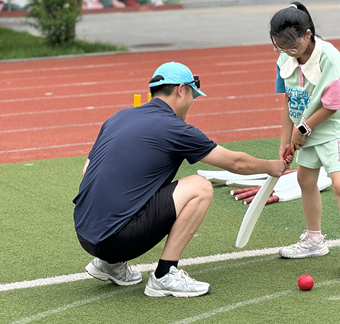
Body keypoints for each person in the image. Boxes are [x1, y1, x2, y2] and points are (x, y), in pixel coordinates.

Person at [73, 61, 289, 297]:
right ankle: (165, 275)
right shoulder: (175, 128)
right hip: (117, 239)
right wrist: (272, 166)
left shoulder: (119, 117)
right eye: (192, 96)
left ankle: (109, 264)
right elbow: (235, 162)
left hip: (85, 233)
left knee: (140, 184)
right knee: (200, 187)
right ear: (181, 90)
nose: (191, 103)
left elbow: (88, 171)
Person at [270, 2, 340, 281]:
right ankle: (314, 240)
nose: (287, 51)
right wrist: (285, 139)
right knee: (305, 180)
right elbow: (288, 100)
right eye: (279, 46)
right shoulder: (283, 59)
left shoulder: (329, 57)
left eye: (292, 46)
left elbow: (334, 104)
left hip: (333, 127)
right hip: (304, 126)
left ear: (307, 35)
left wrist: (303, 129)